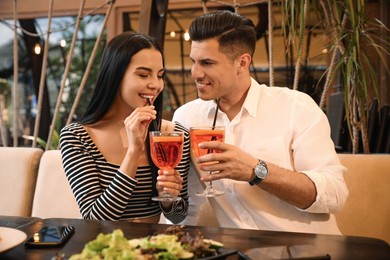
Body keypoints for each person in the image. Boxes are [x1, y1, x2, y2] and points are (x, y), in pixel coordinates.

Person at [173, 10, 349, 234]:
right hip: (237, 251)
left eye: (207, 63)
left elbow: (335, 196)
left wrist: (257, 171)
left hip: (308, 250)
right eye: (193, 62)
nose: (195, 73)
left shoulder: (297, 107)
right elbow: (188, 208)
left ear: (242, 63)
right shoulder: (187, 118)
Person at [60, 31, 190, 224]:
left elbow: (178, 216)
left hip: (153, 249)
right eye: (144, 74)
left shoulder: (174, 136)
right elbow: (95, 219)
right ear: (115, 75)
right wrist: (133, 152)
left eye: (160, 75)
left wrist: (168, 200)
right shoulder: (77, 137)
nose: (155, 84)